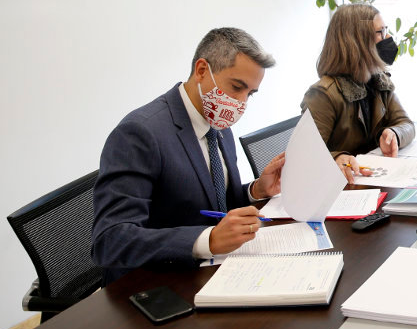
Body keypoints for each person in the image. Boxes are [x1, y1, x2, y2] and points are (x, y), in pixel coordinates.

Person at [92, 28, 285, 284]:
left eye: (249, 94)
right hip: (153, 284)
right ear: (202, 70)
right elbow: (111, 240)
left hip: (213, 272)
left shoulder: (219, 124)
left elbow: (213, 203)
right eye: (237, 87)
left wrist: (256, 190)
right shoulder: (140, 133)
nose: (240, 103)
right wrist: (208, 240)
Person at [301, 3, 415, 182]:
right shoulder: (323, 94)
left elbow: (406, 124)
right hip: (342, 188)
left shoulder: (379, 81)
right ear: (358, 42)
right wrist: (338, 158)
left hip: (374, 179)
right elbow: (306, 156)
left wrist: (394, 133)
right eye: (380, 33)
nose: (388, 38)